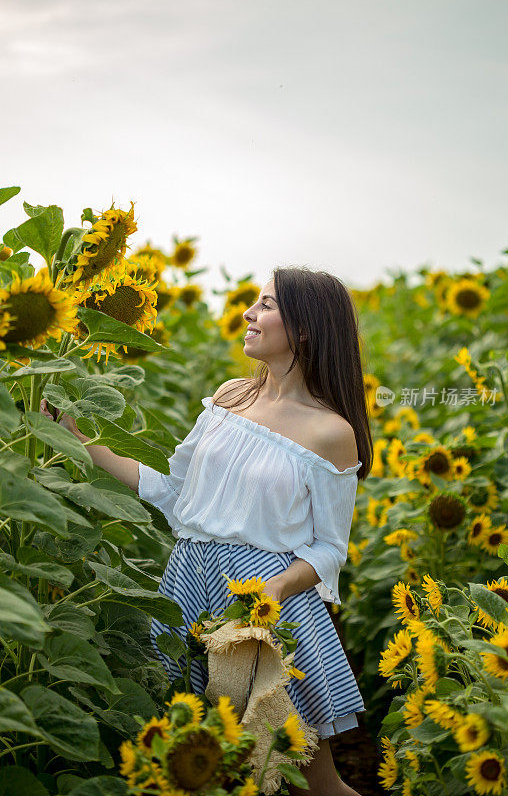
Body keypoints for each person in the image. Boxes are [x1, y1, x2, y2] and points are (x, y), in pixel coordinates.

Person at [41, 265, 373, 796]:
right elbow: (175, 493)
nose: (249, 314)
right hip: (187, 588)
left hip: (260, 609)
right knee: (194, 767)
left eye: (266, 305)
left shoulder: (330, 432)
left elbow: (331, 548)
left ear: (305, 328)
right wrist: (80, 442)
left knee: (314, 783)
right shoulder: (228, 398)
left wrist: (276, 589)